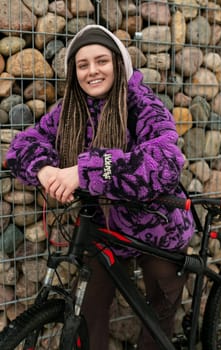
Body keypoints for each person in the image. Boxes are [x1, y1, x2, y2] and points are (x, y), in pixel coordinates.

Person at [6, 24, 195, 350]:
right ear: (74, 72)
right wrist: (45, 168)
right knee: (88, 310)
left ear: (118, 64)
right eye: (83, 65)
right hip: (103, 229)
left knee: (159, 313)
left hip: (159, 228)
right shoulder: (70, 111)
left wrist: (86, 171)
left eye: (101, 61)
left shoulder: (142, 104)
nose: (92, 71)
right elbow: (23, 145)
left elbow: (165, 161)